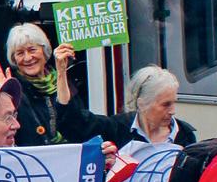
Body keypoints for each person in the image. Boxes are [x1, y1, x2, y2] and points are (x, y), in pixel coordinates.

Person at [55, 59, 195, 152]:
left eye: (174, 102)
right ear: (142, 103)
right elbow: (75, 124)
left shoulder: (184, 135)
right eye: (165, 105)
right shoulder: (118, 128)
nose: (172, 111)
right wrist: (61, 73)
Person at [3, 24, 73, 146]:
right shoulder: (14, 91)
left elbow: (79, 123)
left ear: (44, 51)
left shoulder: (64, 81)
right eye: (20, 53)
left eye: (32, 50)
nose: (28, 58)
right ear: (14, 59)